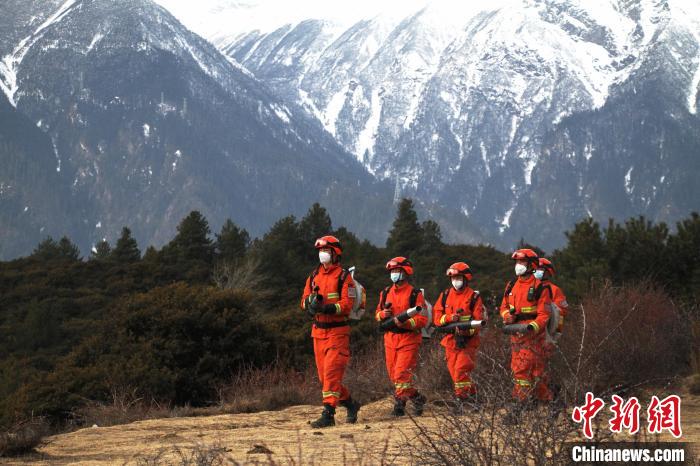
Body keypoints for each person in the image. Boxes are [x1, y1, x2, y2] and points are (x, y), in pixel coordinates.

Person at [300, 235, 361, 428]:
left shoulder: (344, 277)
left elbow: (346, 304)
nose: (322, 254)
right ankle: (351, 404)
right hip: (318, 333)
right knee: (324, 379)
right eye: (320, 251)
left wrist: (327, 308)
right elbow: (303, 301)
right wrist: (309, 304)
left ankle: (328, 414)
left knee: (332, 375)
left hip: (337, 333)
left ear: (335, 254)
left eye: (326, 251)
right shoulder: (313, 276)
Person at [499, 248, 552, 423]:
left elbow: (544, 315)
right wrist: (507, 316)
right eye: (517, 262)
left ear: (531, 265)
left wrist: (531, 328)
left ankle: (519, 408)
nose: (518, 265)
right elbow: (503, 307)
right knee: (531, 372)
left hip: (532, 336)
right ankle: (550, 401)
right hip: (515, 334)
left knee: (523, 370)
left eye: (521, 262)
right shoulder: (511, 285)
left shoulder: (540, 287)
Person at [376, 256, 428, 416]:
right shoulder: (385, 292)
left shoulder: (415, 294)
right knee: (394, 376)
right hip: (390, 339)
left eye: (397, 270)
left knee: (401, 374)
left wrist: (405, 323)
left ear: (406, 272)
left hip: (409, 339)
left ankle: (399, 406)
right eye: (392, 271)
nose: (394, 273)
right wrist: (382, 314)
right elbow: (377, 313)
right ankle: (417, 398)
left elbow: (422, 319)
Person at [432, 262, 485, 412]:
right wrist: (449, 318)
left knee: (460, 371)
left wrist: (465, 332)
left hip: (468, 342)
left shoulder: (474, 297)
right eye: (453, 278)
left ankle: (460, 402)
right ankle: (474, 398)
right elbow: (437, 318)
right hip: (450, 341)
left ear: (466, 278)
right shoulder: (445, 296)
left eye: (458, 277)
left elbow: (478, 321)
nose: (455, 281)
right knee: (455, 374)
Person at [534, 257, 569, 405]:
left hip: (547, 333)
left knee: (544, 367)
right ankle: (538, 397)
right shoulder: (530, 288)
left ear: (548, 272)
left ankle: (551, 396)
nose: (537, 272)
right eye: (535, 269)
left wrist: (555, 336)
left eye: (540, 270)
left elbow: (561, 312)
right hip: (531, 332)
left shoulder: (554, 290)